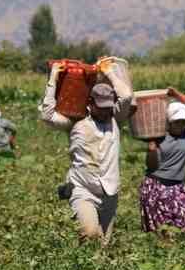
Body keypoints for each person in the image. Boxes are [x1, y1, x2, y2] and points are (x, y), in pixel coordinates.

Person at [39, 64, 134, 243]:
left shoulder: (115, 120)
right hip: (83, 190)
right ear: (90, 103)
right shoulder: (76, 123)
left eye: (108, 106)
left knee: (104, 244)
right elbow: (48, 116)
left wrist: (109, 73)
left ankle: (89, 268)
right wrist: (53, 78)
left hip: (110, 193)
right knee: (90, 233)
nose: (106, 111)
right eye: (101, 107)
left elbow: (127, 96)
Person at [140, 87, 185, 233]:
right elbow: (151, 166)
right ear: (169, 121)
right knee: (163, 233)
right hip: (156, 187)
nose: (181, 125)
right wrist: (151, 150)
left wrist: (177, 94)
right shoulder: (158, 135)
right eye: (177, 122)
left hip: (177, 187)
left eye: (183, 122)